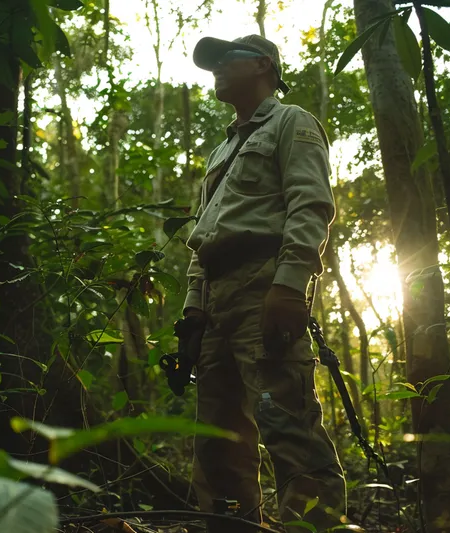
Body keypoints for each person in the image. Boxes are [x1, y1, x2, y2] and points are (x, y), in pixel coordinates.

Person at [182, 34, 347, 532]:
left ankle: (313, 526)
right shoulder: (221, 151)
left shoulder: (291, 123)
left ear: (262, 65)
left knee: (286, 421)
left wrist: (290, 285)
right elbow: (203, 230)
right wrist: (194, 307)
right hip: (216, 297)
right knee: (217, 436)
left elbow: (310, 203)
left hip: (264, 284)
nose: (215, 71)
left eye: (224, 60)